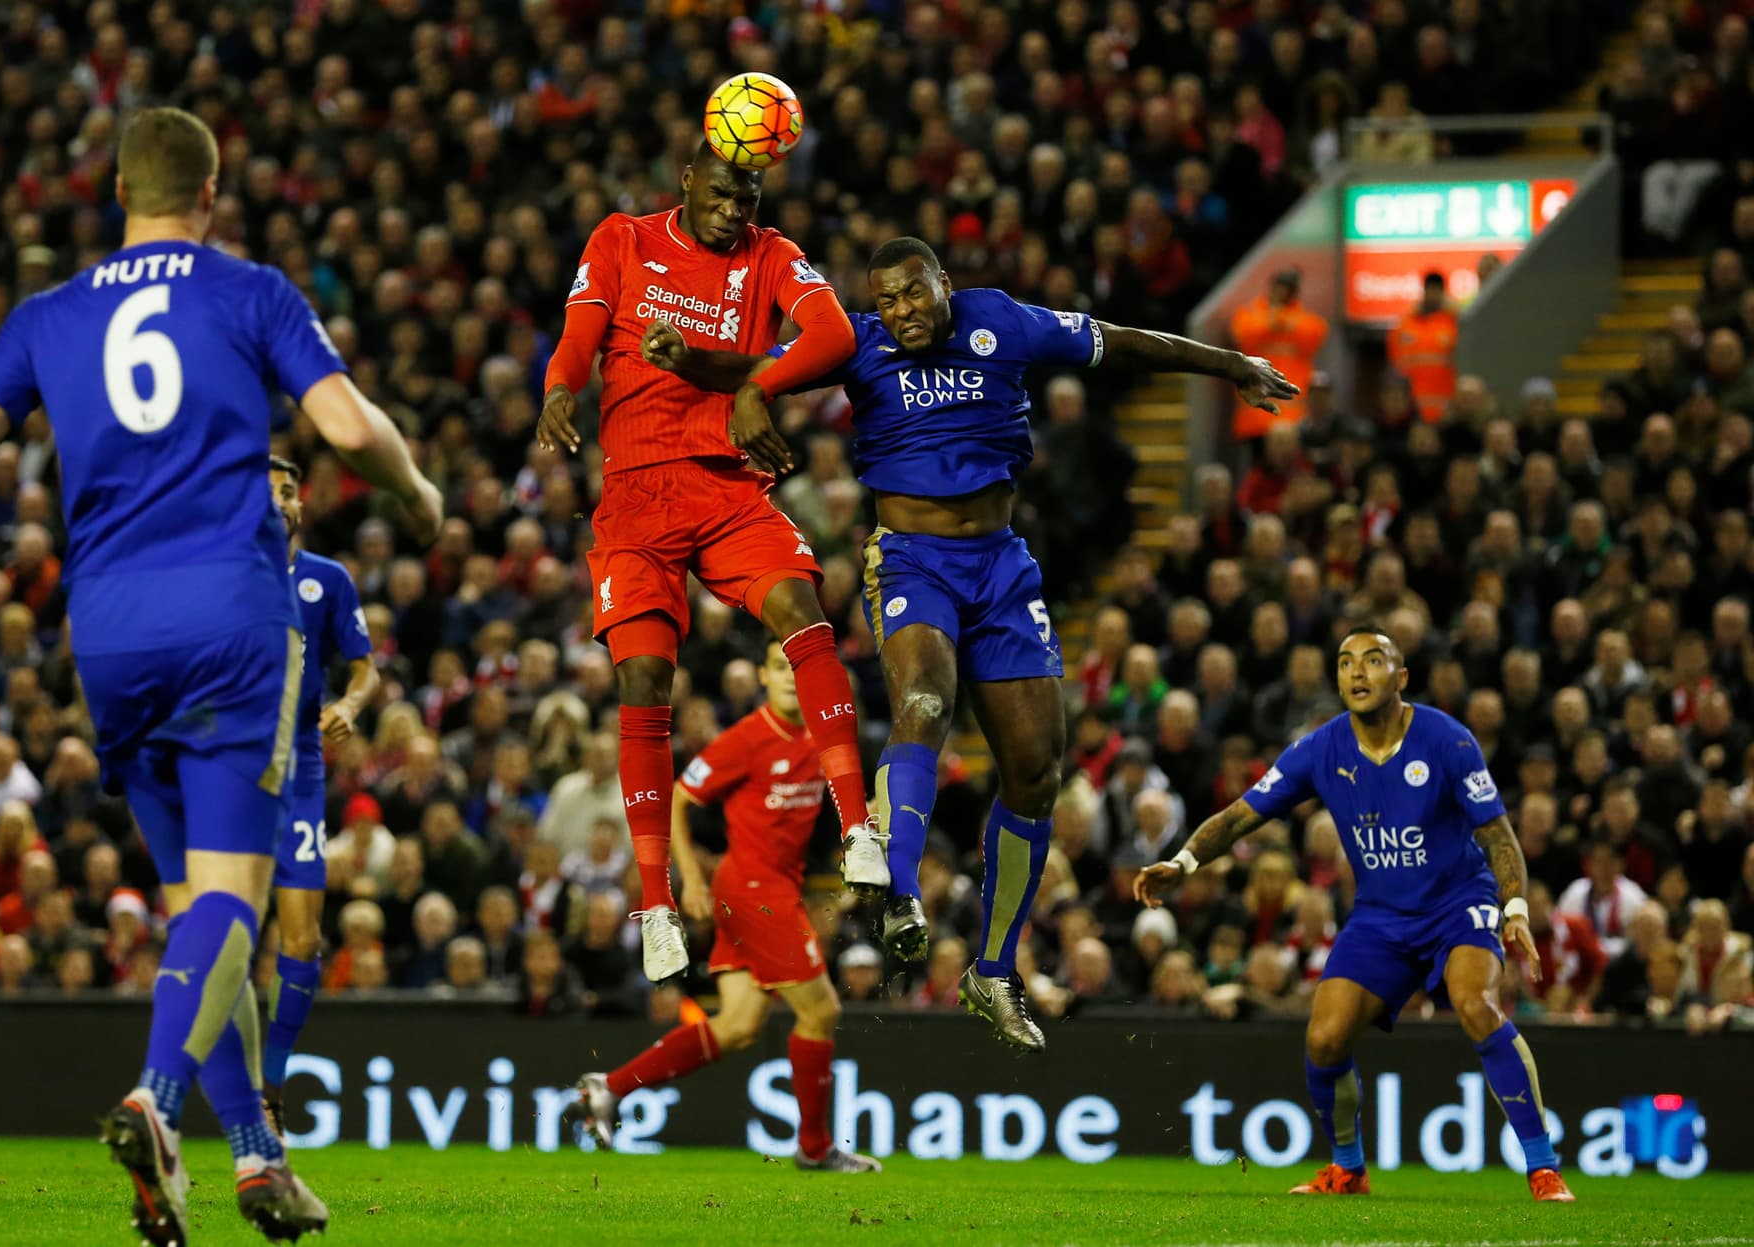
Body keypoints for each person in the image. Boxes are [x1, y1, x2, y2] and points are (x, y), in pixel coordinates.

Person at [0, 108, 441, 1246]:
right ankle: (155, 1100)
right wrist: (418, 493)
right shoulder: (248, 290)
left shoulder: (50, 312)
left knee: (200, 922)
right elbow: (347, 424)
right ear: (211, 193)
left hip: (107, 634)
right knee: (231, 907)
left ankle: (257, 1160)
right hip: (224, 621)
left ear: (117, 189)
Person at [644, 235, 1294, 1051]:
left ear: (943, 283)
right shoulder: (855, 342)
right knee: (923, 699)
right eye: (888, 300)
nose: (904, 312)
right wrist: (690, 359)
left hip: (1002, 567)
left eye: (915, 293)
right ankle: (900, 890)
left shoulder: (1002, 322)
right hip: (913, 558)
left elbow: (1122, 341)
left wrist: (1230, 363)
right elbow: (760, 367)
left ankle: (992, 969)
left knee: (1036, 769)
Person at [537, 144, 875, 982]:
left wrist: (759, 384)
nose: (736, 209)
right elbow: (580, 334)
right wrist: (556, 387)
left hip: (727, 486)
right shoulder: (623, 238)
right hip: (638, 498)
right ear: (686, 180)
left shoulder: (772, 255)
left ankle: (859, 824)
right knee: (644, 681)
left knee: (808, 614)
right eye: (722, 192)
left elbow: (833, 336)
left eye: (749, 195)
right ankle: (655, 904)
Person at [1135, 625, 1575, 1203]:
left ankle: (1543, 1168)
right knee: (1324, 1039)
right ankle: (1348, 1169)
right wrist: (1186, 861)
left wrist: (1512, 905)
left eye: (1373, 660)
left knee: (1478, 1005)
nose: (1357, 673)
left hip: (1455, 904)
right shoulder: (1322, 748)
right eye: (1345, 663)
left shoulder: (1447, 740)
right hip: (1379, 918)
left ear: (1401, 677)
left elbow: (1497, 834)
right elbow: (1243, 815)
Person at [573, 644, 878, 1173]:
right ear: (762, 675)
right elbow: (678, 798)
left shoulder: (823, 737)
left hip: (773, 887)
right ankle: (812, 1147)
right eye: (779, 668)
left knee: (737, 1025)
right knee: (822, 1010)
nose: (789, 678)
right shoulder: (747, 738)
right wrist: (689, 878)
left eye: (798, 669)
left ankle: (610, 1086)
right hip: (753, 890)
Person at [259, 457, 379, 1134]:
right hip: (237, 766)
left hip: (300, 760)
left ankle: (270, 1088)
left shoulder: (326, 579)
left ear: (300, 505)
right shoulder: (220, 576)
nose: (279, 500)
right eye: (265, 491)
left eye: (287, 491)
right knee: (226, 928)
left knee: (302, 938)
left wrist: (352, 704)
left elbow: (366, 668)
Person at [1228, 268, 1329, 441]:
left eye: (1286, 289)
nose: (1281, 294)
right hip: (1256, 414)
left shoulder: (1306, 320)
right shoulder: (1250, 315)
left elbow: (1316, 335)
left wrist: (1282, 319)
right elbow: (1243, 334)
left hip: (1294, 414)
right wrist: (1272, 321)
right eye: (1279, 288)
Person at [1387, 272, 1458, 423]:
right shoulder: (1404, 325)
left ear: (1443, 291)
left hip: (1445, 411)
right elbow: (1395, 367)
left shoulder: (1453, 322)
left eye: (1436, 289)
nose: (1432, 294)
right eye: (1429, 289)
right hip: (1409, 412)